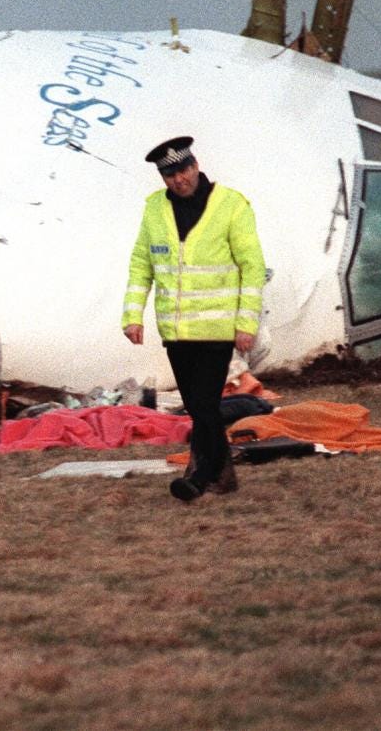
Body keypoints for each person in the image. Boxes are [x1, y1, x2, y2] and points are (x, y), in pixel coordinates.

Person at [122, 136, 266, 502]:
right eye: (169, 174)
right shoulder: (155, 209)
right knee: (200, 409)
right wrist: (132, 315)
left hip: (217, 330)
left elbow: (252, 268)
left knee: (203, 407)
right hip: (176, 330)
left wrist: (245, 324)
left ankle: (200, 477)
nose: (178, 179)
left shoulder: (231, 205)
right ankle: (223, 474)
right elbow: (142, 265)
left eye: (183, 170)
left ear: (195, 165)